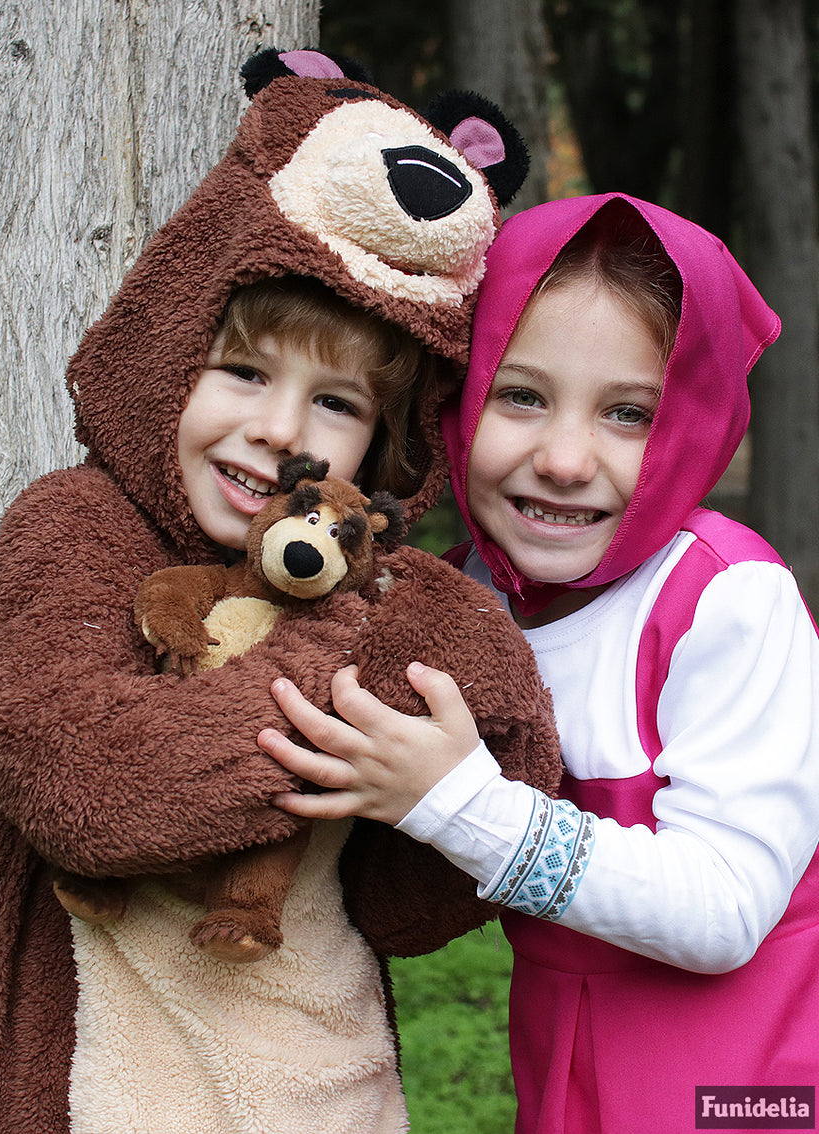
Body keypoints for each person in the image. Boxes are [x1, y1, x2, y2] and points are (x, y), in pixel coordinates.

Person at [0, 47, 529, 1134]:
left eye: (335, 403)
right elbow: (71, 773)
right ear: (171, 354)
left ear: (380, 447)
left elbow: (412, 904)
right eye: (243, 372)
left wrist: (453, 789)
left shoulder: (405, 599)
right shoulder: (75, 530)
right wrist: (323, 666)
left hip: (327, 1089)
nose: (278, 430)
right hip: (97, 1093)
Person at [263, 193, 819, 1134]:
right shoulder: (465, 594)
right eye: (521, 395)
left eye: (630, 414)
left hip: (742, 1083)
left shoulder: (724, 600)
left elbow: (725, 907)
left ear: (694, 421)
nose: (564, 459)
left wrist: (460, 803)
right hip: (561, 1057)